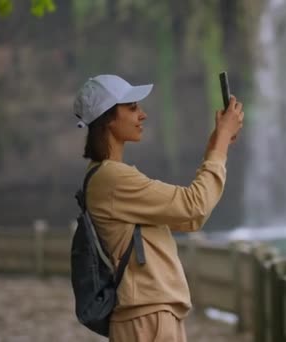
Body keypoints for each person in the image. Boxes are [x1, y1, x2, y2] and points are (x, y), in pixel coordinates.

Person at [73, 74, 244, 342]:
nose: (142, 115)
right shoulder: (113, 179)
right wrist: (221, 142)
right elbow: (194, 206)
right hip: (146, 317)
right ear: (108, 119)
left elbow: (188, 220)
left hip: (149, 314)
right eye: (132, 108)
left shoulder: (109, 177)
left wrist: (215, 147)